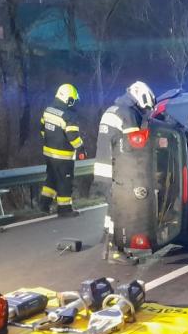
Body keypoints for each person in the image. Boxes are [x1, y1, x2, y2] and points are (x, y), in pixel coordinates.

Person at [95, 80, 155, 264]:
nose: (145, 111)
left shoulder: (112, 110)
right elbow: (134, 147)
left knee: (113, 209)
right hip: (118, 172)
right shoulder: (128, 114)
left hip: (103, 170)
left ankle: (107, 240)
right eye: (145, 108)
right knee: (120, 211)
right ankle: (115, 251)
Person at [39, 83, 86, 217]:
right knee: (65, 181)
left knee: (51, 179)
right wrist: (81, 149)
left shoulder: (48, 110)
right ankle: (64, 209)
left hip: (48, 153)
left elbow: (42, 130)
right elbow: (73, 136)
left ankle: (44, 204)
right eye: (73, 100)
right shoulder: (69, 115)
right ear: (68, 99)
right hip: (63, 156)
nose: (74, 103)